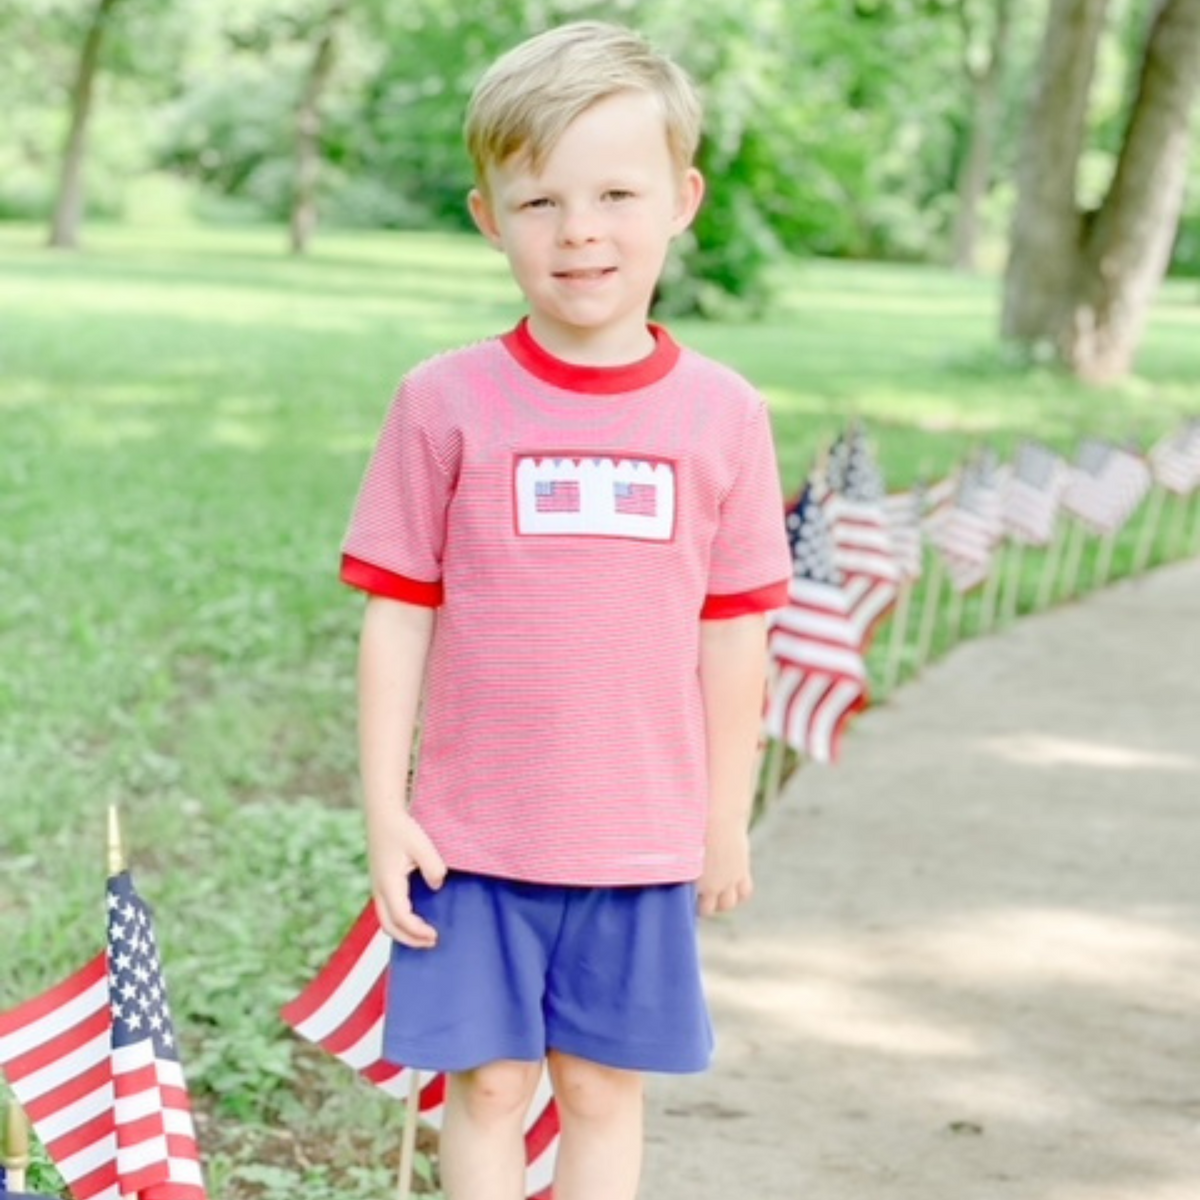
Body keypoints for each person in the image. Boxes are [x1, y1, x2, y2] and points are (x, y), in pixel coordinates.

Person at [340, 20, 792, 1200]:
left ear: (682, 199)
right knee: (487, 1086)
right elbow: (398, 612)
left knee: (597, 1086)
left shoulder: (723, 414)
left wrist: (726, 816)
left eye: (615, 193)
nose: (580, 229)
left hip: (636, 834)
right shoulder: (443, 402)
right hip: (475, 835)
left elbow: (733, 627)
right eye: (539, 202)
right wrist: (384, 807)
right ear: (491, 216)